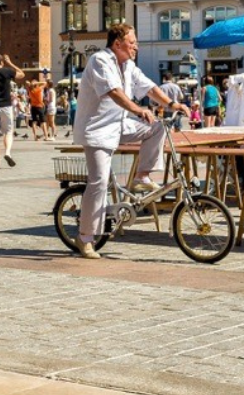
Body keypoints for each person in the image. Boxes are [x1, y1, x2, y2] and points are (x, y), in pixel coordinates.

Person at [72, 24, 176, 259]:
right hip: (96, 130)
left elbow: (149, 87)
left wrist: (171, 104)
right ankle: (85, 237)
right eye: (132, 42)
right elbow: (114, 92)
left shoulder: (128, 66)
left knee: (157, 128)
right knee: (98, 182)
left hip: (119, 125)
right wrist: (139, 110)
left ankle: (142, 175)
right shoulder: (100, 60)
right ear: (117, 44)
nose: (136, 46)